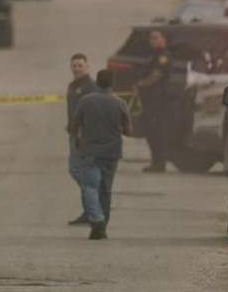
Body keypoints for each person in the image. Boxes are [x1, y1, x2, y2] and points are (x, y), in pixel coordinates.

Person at [70, 69, 132, 240]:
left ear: (97, 82)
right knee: (106, 189)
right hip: (112, 153)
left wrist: (78, 141)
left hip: (90, 151)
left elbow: (74, 125)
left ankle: (96, 220)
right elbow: (128, 130)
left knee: (90, 187)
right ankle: (102, 225)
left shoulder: (85, 101)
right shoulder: (120, 103)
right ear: (113, 84)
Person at [66, 53, 97, 225]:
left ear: (87, 67)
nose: (77, 68)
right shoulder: (74, 86)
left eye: (80, 65)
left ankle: (93, 209)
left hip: (83, 136)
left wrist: (84, 133)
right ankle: (88, 210)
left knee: (79, 171)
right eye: (74, 65)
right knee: (77, 171)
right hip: (74, 133)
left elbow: (91, 114)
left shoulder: (90, 87)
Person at [137, 29, 172, 173]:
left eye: (156, 37)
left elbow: (156, 75)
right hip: (150, 98)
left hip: (158, 99)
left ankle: (159, 162)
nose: (153, 40)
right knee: (150, 130)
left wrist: (141, 84)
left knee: (156, 131)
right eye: (151, 38)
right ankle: (156, 161)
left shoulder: (163, 56)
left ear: (163, 39)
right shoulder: (153, 55)